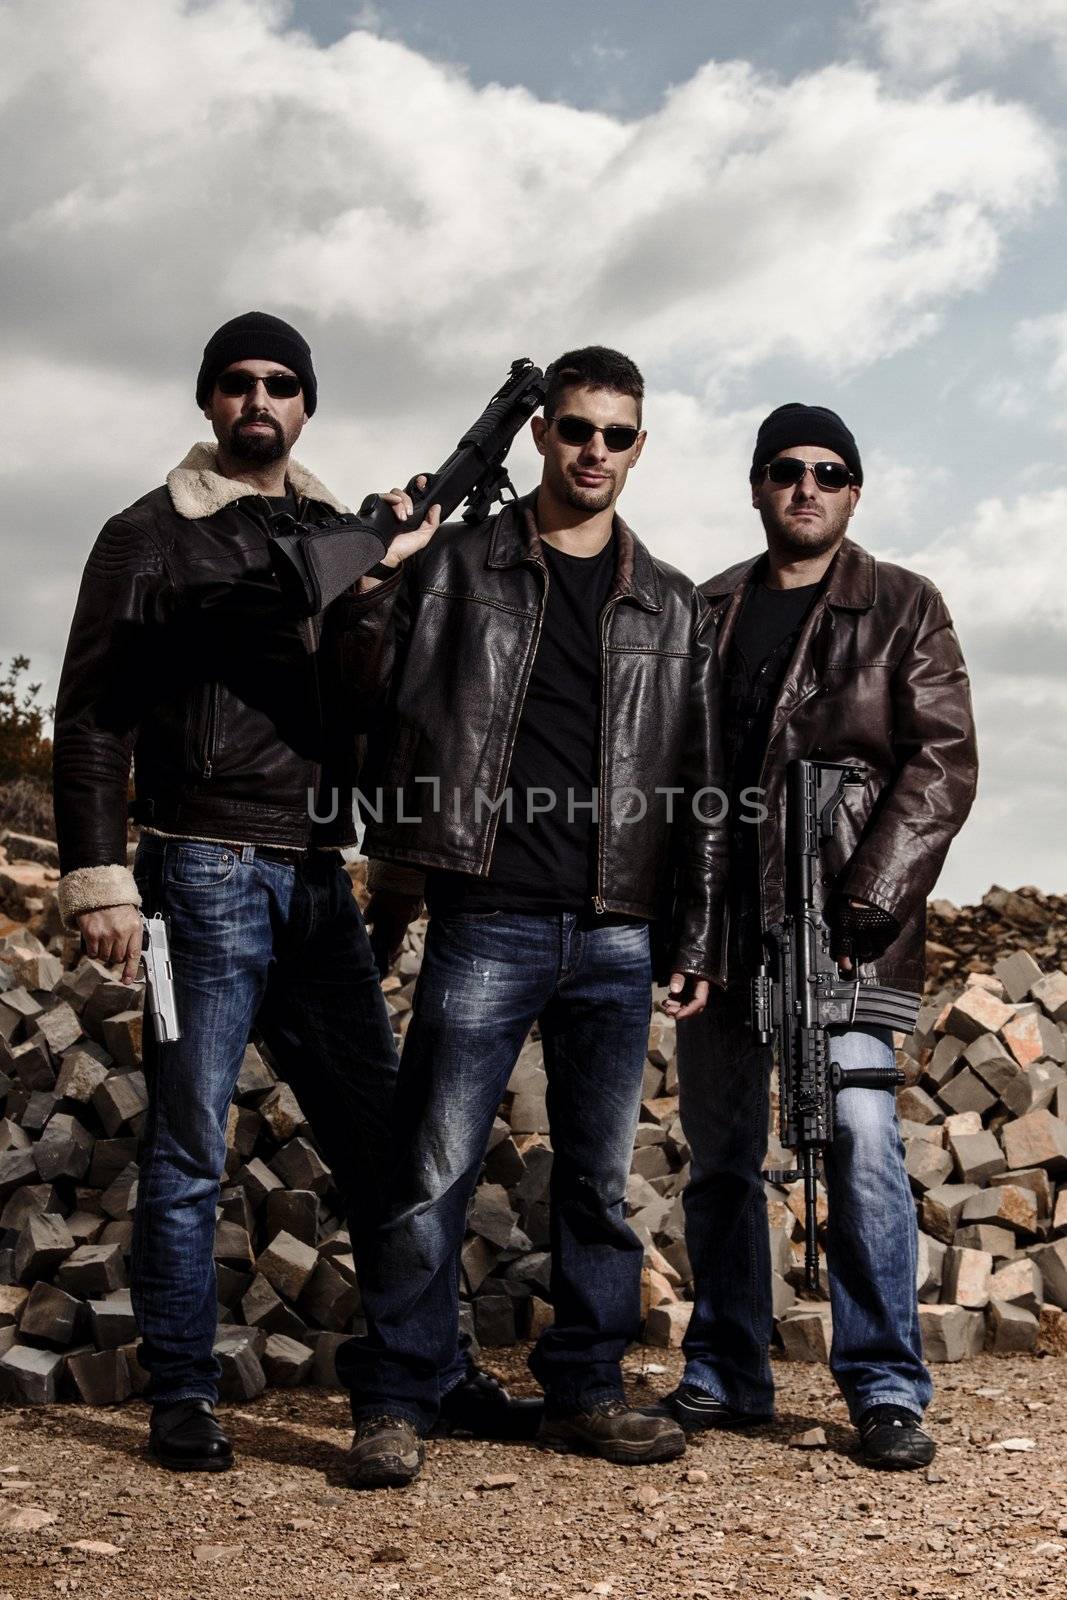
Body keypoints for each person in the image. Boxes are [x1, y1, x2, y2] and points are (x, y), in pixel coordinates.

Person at [51, 311, 446, 1472]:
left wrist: (382, 571)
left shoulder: (339, 532)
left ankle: (409, 1384)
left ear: (306, 406)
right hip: (200, 867)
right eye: (236, 383)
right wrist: (100, 879)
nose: (258, 400)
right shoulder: (146, 536)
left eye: (281, 384)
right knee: (185, 1152)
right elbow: (90, 715)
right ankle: (181, 1395)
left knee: (382, 1144)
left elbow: (371, 703)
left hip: (321, 877)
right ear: (208, 402)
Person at [341, 346, 729, 1487]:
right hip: (486, 912)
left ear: (638, 448)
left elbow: (702, 786)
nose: (592, 451)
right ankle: (400, 1395)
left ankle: (584, 1387)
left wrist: (692, 934)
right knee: (433, 1168)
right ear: (538, 437)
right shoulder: (457, 564)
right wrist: (379, 567)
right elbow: (361, 691)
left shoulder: (669, 600)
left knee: (597, 1183)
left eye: (614, 435)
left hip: (616, 930)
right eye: (572, 430)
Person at [656, 403, 978, 1469]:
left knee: (860, 1140)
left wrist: (865, 901)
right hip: (725, 926)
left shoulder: (902, 604)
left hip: (843, 931)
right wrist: (687, 929)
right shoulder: (701, 610)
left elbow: (940, 764)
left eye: (827, 471)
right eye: (784, 469)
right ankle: (725, 1370)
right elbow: (677, 780)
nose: (805, 485)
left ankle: (883, 1383)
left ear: (852, 490)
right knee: (718, 1157)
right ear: (755, 485)